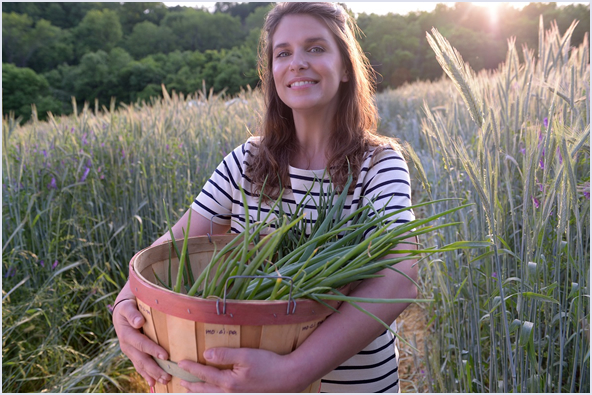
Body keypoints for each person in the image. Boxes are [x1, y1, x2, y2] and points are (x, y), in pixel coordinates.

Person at [112, 2, 418, 392]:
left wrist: (293, 373)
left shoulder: (378, 163)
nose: (297, 63)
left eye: (316, 48)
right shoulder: (247, 162)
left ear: (345, 67)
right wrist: (124, 304)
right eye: (283, 53)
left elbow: (401, 277)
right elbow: (171, 247)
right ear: (272, 72)